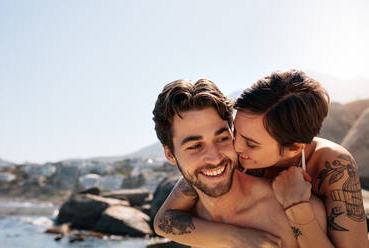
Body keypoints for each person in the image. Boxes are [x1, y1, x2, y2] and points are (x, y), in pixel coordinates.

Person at [154, 70, 368, 248]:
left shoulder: (331, 165)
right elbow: (164, 220)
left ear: (294, 148)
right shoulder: (224, 156)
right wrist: (237, 238)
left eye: (250, 143)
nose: (235, 147)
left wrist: (296, 206)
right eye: (234, 133)